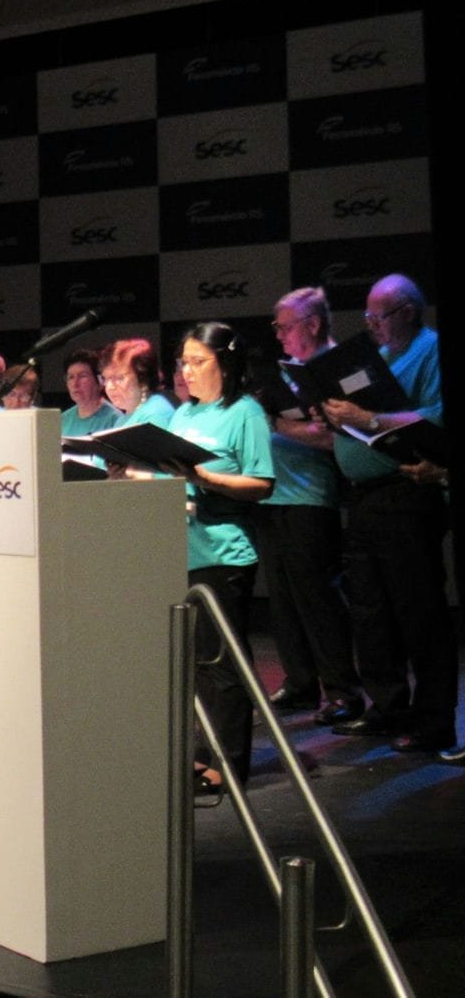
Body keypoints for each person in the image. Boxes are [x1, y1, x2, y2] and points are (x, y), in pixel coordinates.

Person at [322, 274, 456, 753]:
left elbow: (436, 415)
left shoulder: (430, 350)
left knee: (418, 611)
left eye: (379, 316)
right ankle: (387, 707)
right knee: (371, 611)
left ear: (408, 312)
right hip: (363, 497)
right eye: (367, 316)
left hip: (407, 491)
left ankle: (434, 720)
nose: (371, 324)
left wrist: (368, 419)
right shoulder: (379, 356)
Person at [159, 322, 274, 791]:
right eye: (183, 362)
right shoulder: (183, 414)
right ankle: (201, 755)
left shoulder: (245, 412)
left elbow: (262, 483)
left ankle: (227, 765)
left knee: (223, 664)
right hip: (181, 550)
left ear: (224, 362)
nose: (187, 371)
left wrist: (208, 479)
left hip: (223, 553)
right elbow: (167, 476)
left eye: (197, 361)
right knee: (196, 664)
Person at [255, 289, 361, 726]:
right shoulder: (290, 370)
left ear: (313, 325)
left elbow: (336, 437)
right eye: (276, 328)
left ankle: (342, 690)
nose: (279, 335)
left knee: (318, 599)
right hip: (273, 495)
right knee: (283, 601)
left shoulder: (336, 368)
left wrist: (277, 423)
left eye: (286, 327)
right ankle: (300, 683)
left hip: (310, 497)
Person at [97, 339, 174, 429]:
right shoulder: (121, 420)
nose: (109, 387)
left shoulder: (155, 413)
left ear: (143, 379)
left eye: (119, 378)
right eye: (105, 379)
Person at [60, 348, 121, 436]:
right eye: (71, 377)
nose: (75, 384)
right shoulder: (63, 420)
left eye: (82, 376)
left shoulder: (115, 420)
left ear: (100, 381)